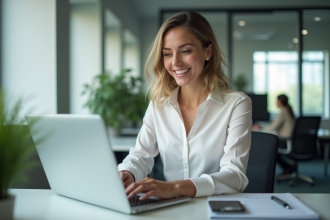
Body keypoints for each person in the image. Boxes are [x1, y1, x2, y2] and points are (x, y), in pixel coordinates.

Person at [118, 11, 252, 201]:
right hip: (172, 208)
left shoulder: (237, 104)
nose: (175, 62)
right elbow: (141, 155)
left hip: (216, 208)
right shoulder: (159, 105)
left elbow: (235, 176)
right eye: (167, 54)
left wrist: (176, 187)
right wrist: (127, 173)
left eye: (186, 51)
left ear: (208, 52)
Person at [253, 94, 295, 174]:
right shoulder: (287, 111)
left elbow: (273, 127)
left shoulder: (283, 113)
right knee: (273, 150)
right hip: (287, 140)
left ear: (279, 102)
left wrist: (260, 127)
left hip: (285, 141)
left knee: (271, 150)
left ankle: (287, 167)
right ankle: (287, 166)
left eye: (277, 101)